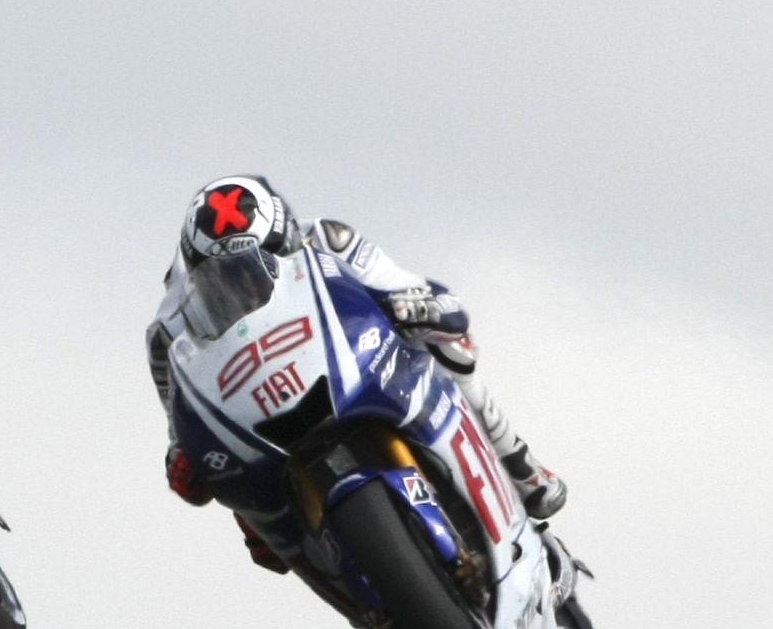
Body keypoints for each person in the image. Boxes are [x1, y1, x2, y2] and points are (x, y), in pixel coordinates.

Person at [146, 174, 566, 573]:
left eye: (261, 261)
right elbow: (182, 422)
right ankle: (322, 566)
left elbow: (416, 290)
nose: (249, 282)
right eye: (227, 275)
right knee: (227, 479)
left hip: (354, 365)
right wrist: (179, 458)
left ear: (286, 238)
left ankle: (517, 462)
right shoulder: (168, 332)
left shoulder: (328, 238)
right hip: (259, 411)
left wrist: (419, 307)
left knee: (447, 339)